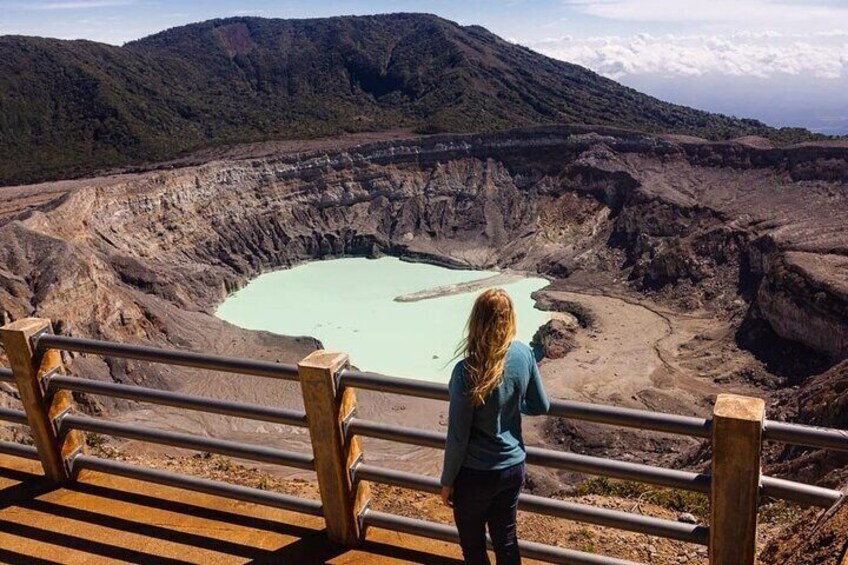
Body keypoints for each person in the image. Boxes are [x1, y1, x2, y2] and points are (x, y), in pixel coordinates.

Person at [440, 288, 550, 565]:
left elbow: (457, 435)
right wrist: (512, 407)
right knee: (507, 540)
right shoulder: (524, 354)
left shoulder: (466, 371)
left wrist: (447, 481)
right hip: (512, 469)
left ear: (476, 320)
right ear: (510, 318)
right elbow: (541, 405)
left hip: (474, 475)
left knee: (473, 546)